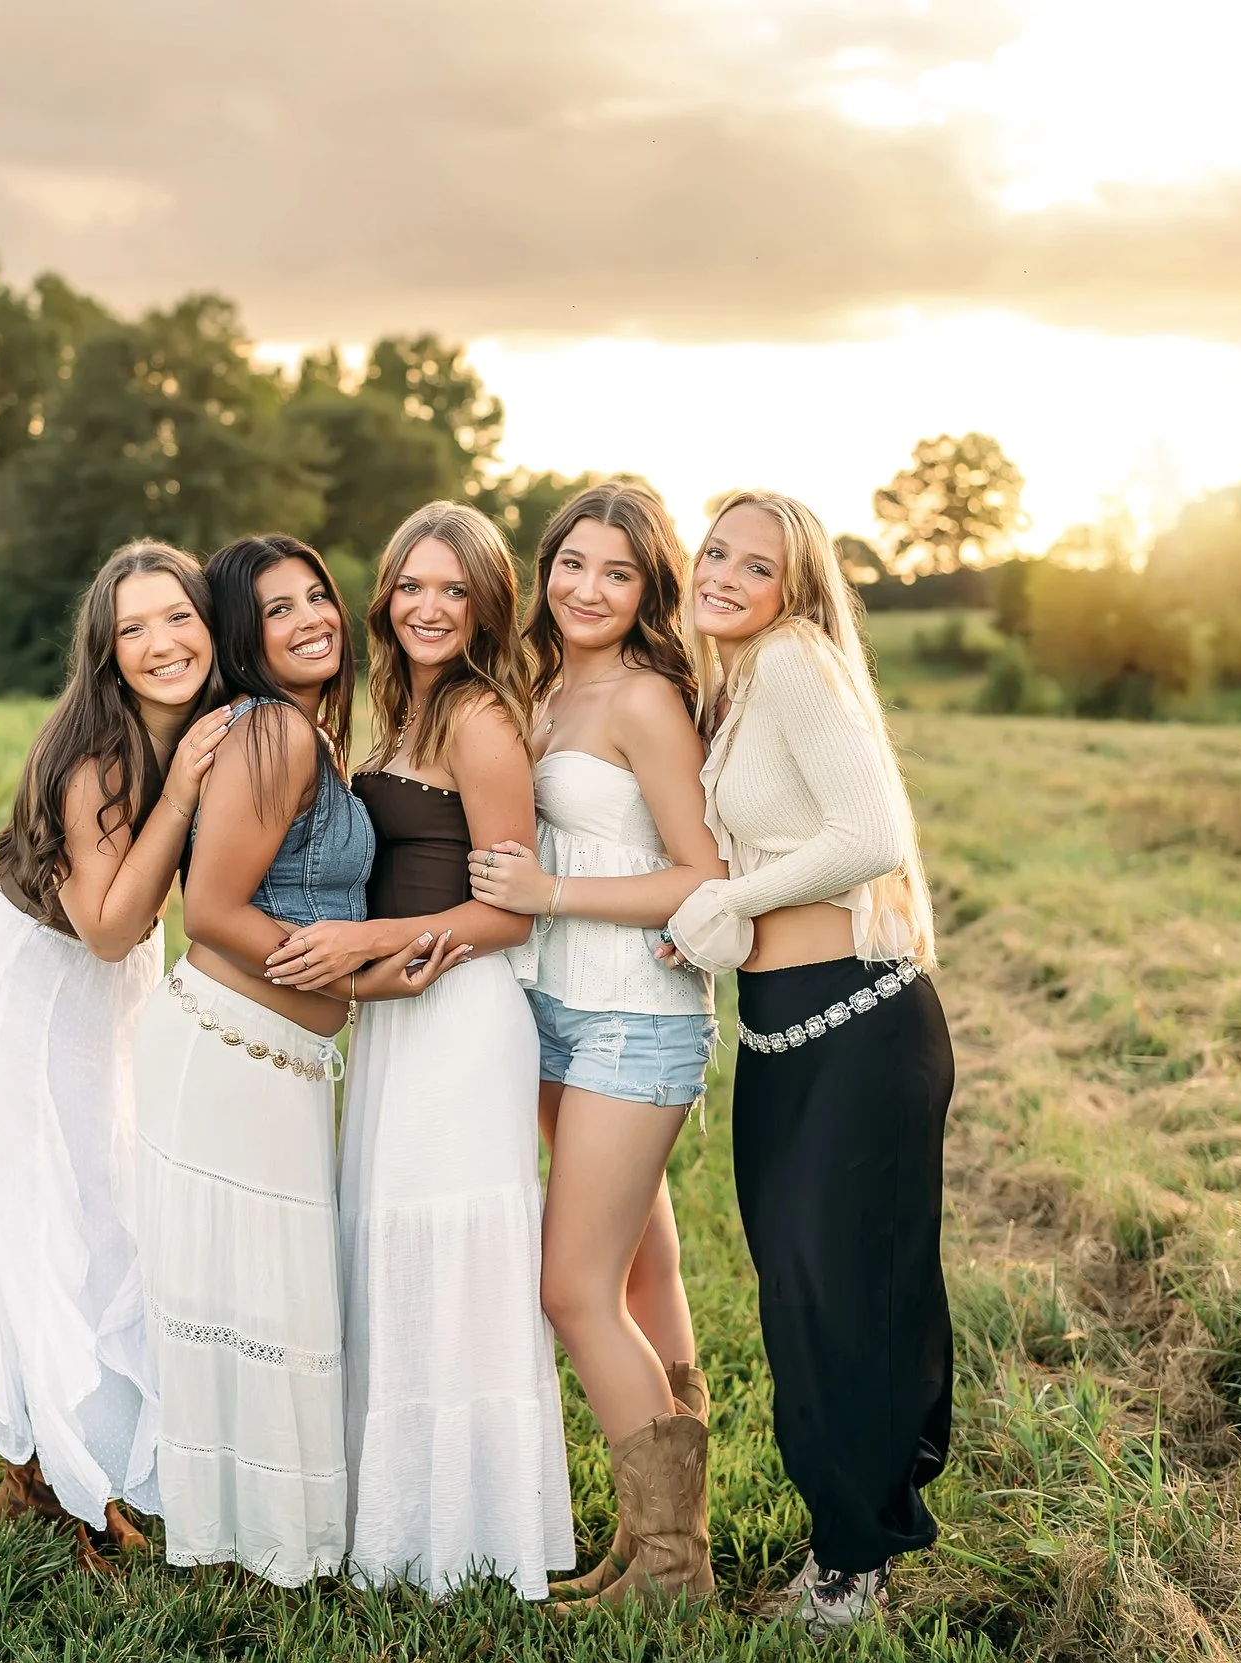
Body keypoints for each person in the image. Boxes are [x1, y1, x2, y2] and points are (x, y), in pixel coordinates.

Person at [134, 533, 469, 1587]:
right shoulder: (275, 732)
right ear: (247, 635)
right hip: (230, 1051)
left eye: (317, 595)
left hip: (271, 1056)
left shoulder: (311, 736)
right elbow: (210, 909)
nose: (312, 618)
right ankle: (258, 1539)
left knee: (260, 1299)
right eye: (277, 610)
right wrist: (361, 983)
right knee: (250, 1303)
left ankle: (256, 1531)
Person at [264, 501, 572, 1601]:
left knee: (448, 1259)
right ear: (384, 595)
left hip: (460, 1011)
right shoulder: (403, 707)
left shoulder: (480, 718)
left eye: (452, 589)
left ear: (486, 604)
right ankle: (390, 1519)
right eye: (410, 586)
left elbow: (508, 913)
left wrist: (366, 941)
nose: (427, 607)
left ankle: (468, 1532)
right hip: (399, 1014)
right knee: (389, 1248)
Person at [662, 490, 955, 1631]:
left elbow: (871, 835)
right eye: (715, 551)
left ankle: (853, 1565)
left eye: (757, 563)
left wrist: (725, 895)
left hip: (861, 1024)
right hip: (782, 1026)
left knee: (846, 1299)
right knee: (798, 1296)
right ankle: (844, 1540)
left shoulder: (791, 661)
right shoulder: (737, 684)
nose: (726, 575)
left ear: (794, 587)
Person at [0, 541, 233, 1572]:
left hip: (102, 999)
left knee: (107, 1219)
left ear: (208, 623)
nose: (160, 643)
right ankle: (62, 1482)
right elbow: (104, 924)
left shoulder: (195, 727)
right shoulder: (102, 754)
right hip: (31, 993)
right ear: (105, 647)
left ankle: (61, 1466)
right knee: (49, 1224)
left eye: (177, 617)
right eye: (133, 627)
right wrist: (184, 789)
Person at [465, 481, 722, 1605]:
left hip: (633, 1021)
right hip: (557, 1016)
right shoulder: (547, 685)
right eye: (572, 563)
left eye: (617, 572)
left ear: (646, 588)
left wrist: (553, 890)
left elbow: (702, 876)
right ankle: (649, 1532)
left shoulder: (645, 699)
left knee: (571, 1289)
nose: (586, 588)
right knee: (638, 1270)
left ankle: (673, 1567)